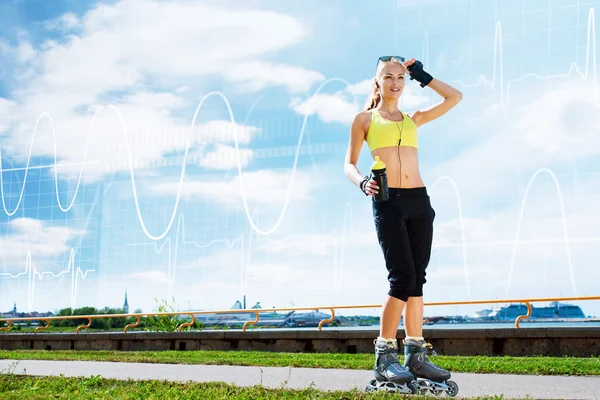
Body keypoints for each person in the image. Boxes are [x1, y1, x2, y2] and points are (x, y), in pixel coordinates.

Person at [344, 56, 462, 395]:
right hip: (388, 201)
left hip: (419, 201)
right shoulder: (364, 119)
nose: (395, 82)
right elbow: (349, 164)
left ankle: (415, 353)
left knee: (417, 279)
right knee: (401, 277)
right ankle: (384, 353)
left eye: (400, 77)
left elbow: (454, 98)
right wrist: (363, 182)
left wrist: (422, 75)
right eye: (388, 76)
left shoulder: (413, 119)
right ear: (377, 82)